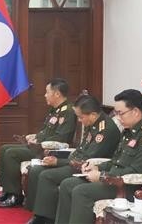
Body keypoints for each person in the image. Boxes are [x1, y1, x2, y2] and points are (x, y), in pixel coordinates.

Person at [55, 89, 142, 224]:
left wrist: (102, 175)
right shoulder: (129, 132)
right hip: (114, 179)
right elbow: (115, 161)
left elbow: (136, 172)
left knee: (81, 191)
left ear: (135, 112)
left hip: (131, 188)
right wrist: (96, 166)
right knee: (68, 184)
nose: (117, 117)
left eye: (120, 113)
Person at [24, 94, 121, 224]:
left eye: (81, 117)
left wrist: (59, 161)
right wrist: (59, 157)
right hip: (75, 162)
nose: (79, 121)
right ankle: (41, 214)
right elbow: (81, 149)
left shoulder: (106, 130)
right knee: (38, 169)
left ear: (92, 114)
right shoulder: (93, 124)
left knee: (47, 176)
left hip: (85, 167)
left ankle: (45, 218)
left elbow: (89, 158)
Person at [0, 78, 77, 208]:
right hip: (38, 145)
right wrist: (34, 136)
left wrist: (39, 141)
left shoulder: (68, 112)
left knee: (11, 154)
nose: (45, 95)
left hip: (46, 150)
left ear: (57, 94)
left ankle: (16, 196)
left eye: (47, 92)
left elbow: (62, 138)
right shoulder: (55, 110)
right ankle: (7, 191)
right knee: (4, 148)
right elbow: (46, 131)